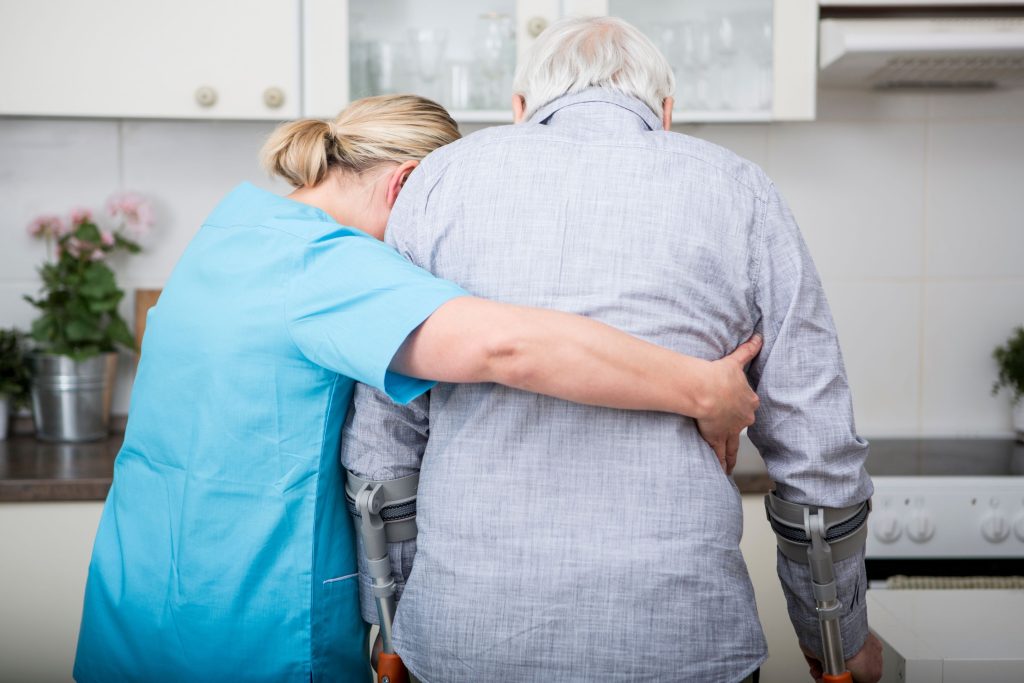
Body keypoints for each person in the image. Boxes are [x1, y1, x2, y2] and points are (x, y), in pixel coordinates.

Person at [71, 94, 762, 682]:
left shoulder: (237, 229)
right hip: (246, 627)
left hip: (140, 605)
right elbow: (507, 345)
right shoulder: (327, 267)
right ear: (405, 189)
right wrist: (703, 387)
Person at [341, 17, 883, 683]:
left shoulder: (439, 184)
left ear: (520, 112)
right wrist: (836, 638)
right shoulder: (739, 188)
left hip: (465, 637)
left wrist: (389, 622)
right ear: (665, 114)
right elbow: (817, 449)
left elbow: (383, 442)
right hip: (681, 638)